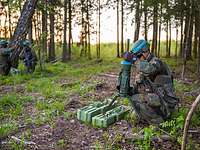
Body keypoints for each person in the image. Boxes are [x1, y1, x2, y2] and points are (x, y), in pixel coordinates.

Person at [121, 39, 179, 124]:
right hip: (159, 100)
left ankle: (159, 123)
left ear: (145, 52)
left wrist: (134, 60)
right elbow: (140, 86)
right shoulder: (144, 65)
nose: (138, 59)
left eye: (138, 56)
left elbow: (150, 69)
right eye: (136, 57)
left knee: (137, 99)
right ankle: (151, 117)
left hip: (167, 104)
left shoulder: (157, 63)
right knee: (133, 97)